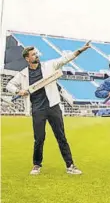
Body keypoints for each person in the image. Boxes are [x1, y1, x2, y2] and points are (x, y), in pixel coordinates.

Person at [6, 41, 91, 175]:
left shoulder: (49, 65)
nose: (36, 56)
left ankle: (70, 165)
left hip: (53, 107)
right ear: (27, 58)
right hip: (37, 109)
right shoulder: (22, 74)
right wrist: (18, 91)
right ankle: (36, 165)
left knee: (61, 137)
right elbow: (9, 85)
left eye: (36, 53)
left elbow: (66, 59)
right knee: (39, 138)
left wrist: (81, 50)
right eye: (33, 55)